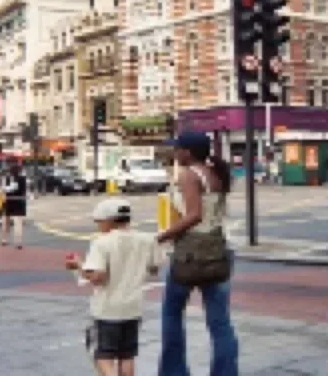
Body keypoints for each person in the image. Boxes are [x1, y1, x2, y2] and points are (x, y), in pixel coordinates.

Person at [156, 132, 239, 376]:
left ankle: (174, 372)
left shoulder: (189, 176)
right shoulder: (216, 173)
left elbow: (194, 215)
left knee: (171, 313)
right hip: (218, 250)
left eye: (177, 149)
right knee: (220, 323)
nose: (175, 153)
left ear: (188, 152)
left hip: (190, 254)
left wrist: (163, 236)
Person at [66, 198, 161, 376]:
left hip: (107, 309)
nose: (98, 226)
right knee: (127, 355)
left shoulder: (102, 243)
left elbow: (98, 277)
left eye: (99, 222)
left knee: (102, 354)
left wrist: (79, 265)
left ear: (109, 221)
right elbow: (154, 268)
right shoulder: (147, 239)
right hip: (134, 307)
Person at [0, 164, 27, 249]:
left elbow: (3, 190)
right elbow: (25, 190)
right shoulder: (23, 179)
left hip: (8, 200)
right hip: (19, 201)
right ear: (20, 171)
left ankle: (4, 240)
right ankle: (18, 242)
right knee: (18, 222)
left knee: (5, 221)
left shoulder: (7, 178)